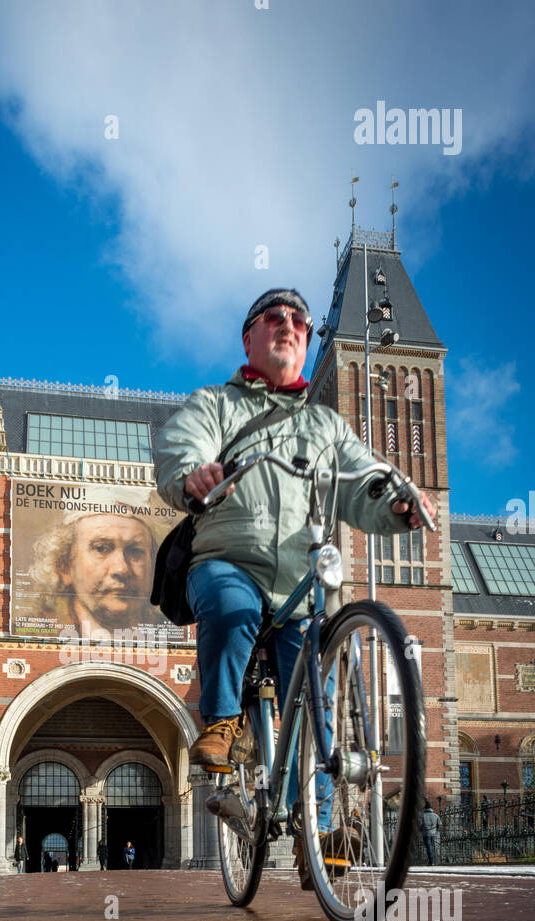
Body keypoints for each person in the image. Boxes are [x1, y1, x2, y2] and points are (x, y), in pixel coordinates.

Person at [154, 288, 437, 890]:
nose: (289, 326)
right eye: (274, 318)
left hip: (300, 582)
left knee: (318, 703)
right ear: (249, 339)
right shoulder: (215, 404)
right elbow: (181, 452)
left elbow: (363, 481)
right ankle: (223, 723)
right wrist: (196, 476)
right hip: (230, 558)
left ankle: (321, 831)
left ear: (306, 340)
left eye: (299, 321)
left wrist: (397, 504)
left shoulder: (325, 423)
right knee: (230, 606)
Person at [28, 513, 158, 636]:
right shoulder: (29, 633)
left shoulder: (176, 636)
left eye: (135, 551)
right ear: (65, 567)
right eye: (101, 549)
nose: (121, 569)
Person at [420, 800, 441, 865]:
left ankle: (431, 861)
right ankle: (432, 861)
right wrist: (436, 831)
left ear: (425, 808)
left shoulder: (422, 815)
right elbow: (439, 824)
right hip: (433, 833)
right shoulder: (436, 815)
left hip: (426, 833)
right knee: (432, 847)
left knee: (429, 847)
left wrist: (421, 830)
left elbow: (420, 824)